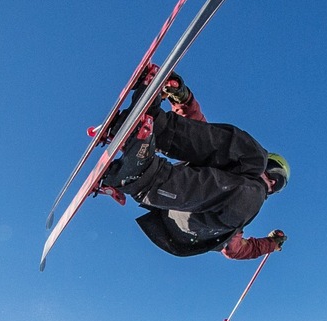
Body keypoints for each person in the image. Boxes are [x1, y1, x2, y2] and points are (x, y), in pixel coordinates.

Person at [99, 65, 288, 260]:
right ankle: (151, 125)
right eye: (271, 168)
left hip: (187, 228)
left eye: (278, 179)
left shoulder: (245, 205)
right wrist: (183, 98)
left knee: (252, 195)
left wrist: (270, 244)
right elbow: (204, 136)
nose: (272, 179)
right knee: (252, 155)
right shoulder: (243, 167)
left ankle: (143, 177)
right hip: (184, 194)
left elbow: (236, 249)